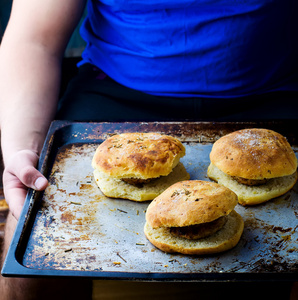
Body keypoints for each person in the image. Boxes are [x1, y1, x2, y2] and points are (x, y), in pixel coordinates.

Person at [0, 0, 297, 299]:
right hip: (116, 87)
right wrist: (23, 150)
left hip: (269, 92)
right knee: (34, 229)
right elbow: (34, 39)